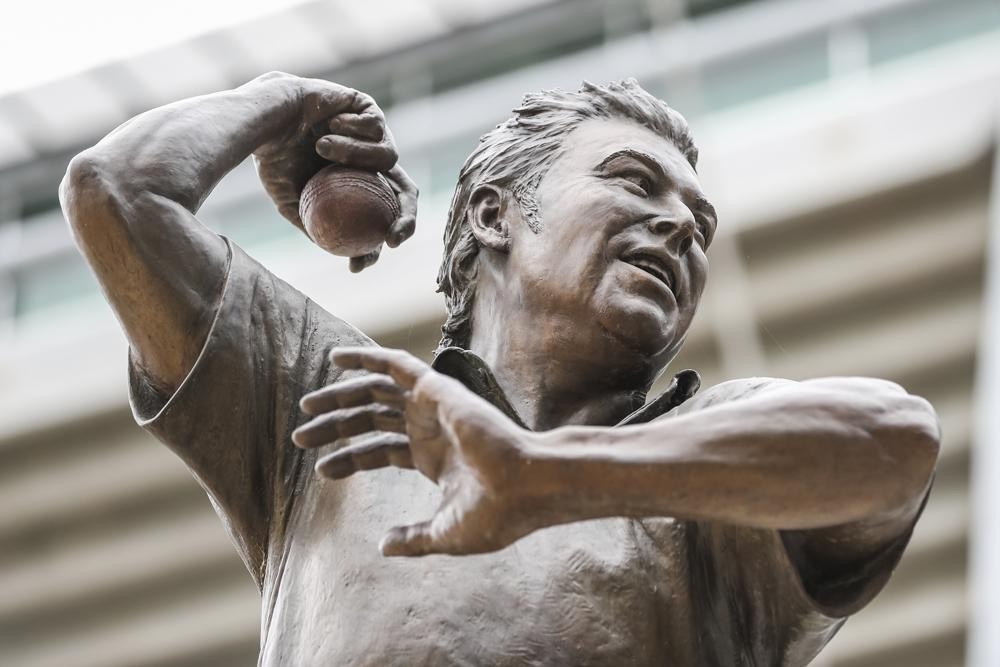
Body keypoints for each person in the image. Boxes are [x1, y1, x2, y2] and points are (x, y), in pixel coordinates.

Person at [60, 72, 939, 666]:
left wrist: (539, 478)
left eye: (700, 224)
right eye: (635, 183)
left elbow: (895, 442)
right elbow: (115, 193)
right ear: (493, 213)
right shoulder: (335, 399)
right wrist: (278, 104)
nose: (679, 226)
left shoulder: (708, 464)